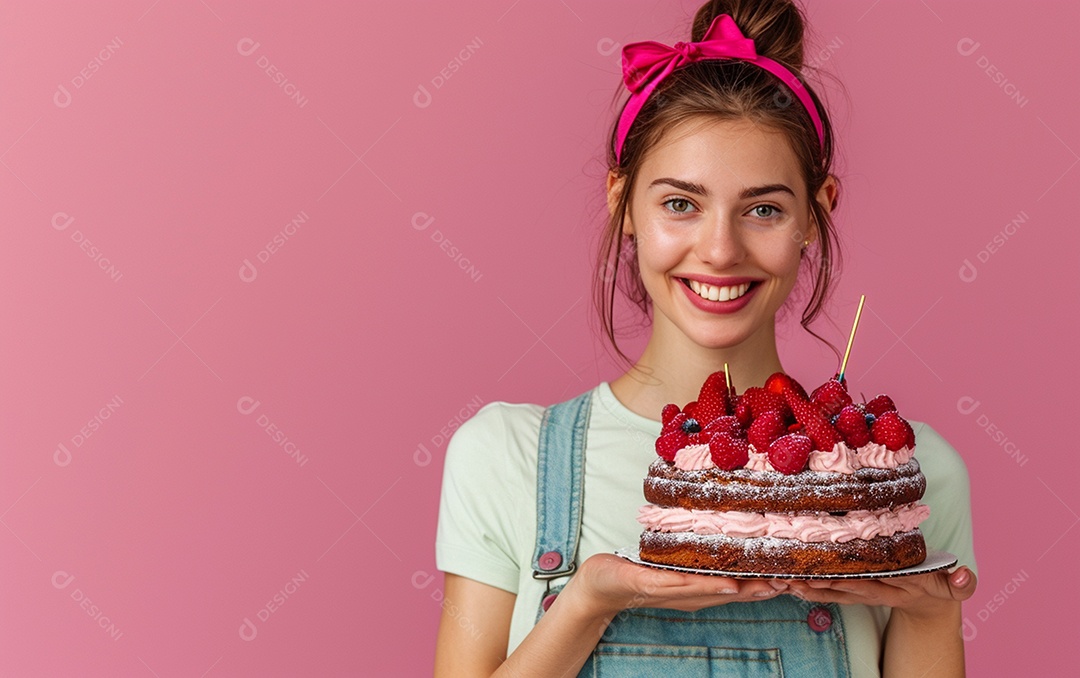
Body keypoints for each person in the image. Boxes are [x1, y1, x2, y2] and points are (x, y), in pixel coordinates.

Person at [433, 1, 978, 675]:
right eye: (680, 203)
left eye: (764, 209)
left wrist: (933, 609)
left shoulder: (904, 483)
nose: (719, 250)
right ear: (622, 203)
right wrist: (588, 601)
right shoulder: (505, 458)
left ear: (818, 211)